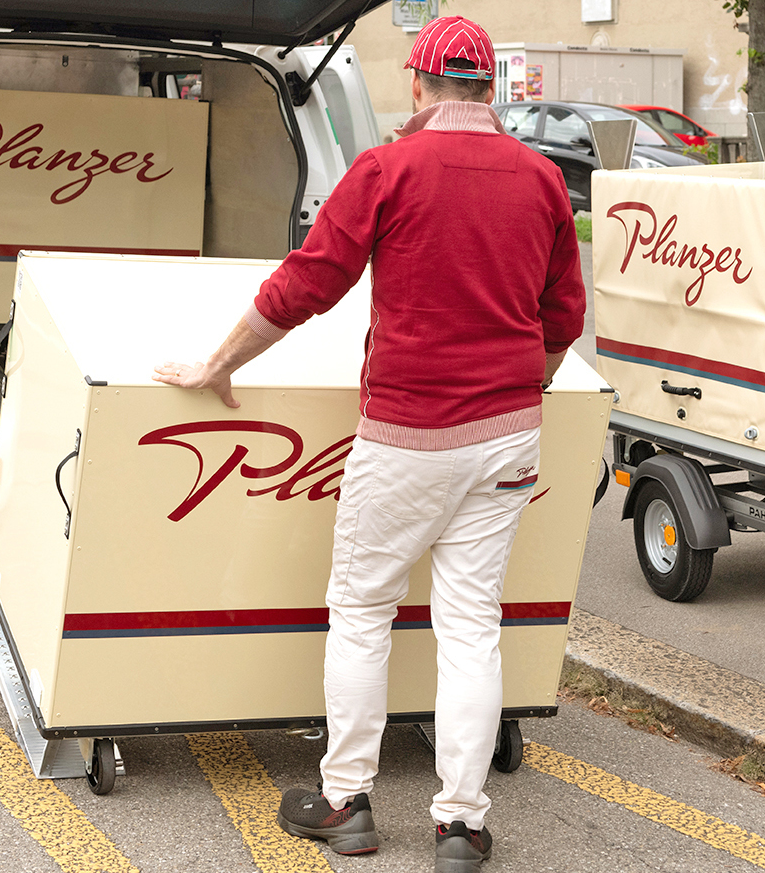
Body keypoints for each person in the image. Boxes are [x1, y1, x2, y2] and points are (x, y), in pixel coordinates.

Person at [150, 15, 584, 873]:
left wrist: (218, 361)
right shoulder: (542, 181)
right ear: (487, 90)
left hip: (408, 433)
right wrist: (519, 389)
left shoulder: (388, 167)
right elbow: (561, 318)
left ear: (419, 88)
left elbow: (310, 279)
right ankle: (461, 824)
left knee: (361, 611)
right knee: (471, 628)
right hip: (506, 440)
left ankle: (346, 801)